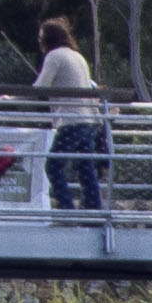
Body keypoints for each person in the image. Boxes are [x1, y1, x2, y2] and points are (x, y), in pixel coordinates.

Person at [32, 17, 106, 212]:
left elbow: (39, 88)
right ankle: (94, 210)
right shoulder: (77, 56)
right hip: (90, 121)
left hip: (72, 122)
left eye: (41, 36)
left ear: (47, 38)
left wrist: (11, 99)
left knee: (53, 166)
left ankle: (66, 209)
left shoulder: (54, 56)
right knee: (85, 169)